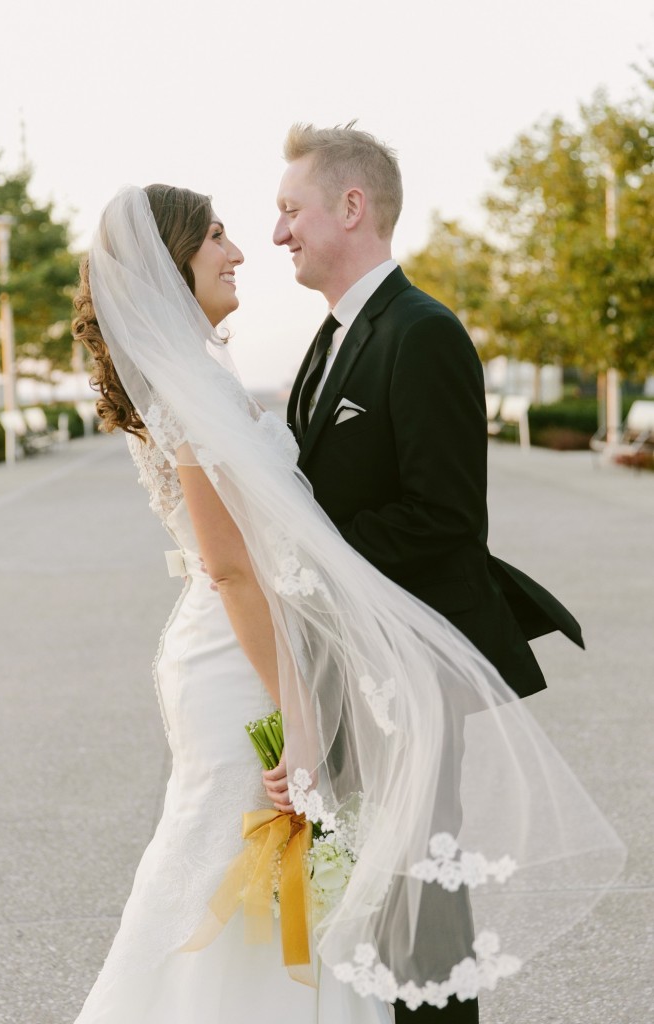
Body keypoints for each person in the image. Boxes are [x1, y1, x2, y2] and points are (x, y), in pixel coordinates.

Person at [71, 182, 622, 1023]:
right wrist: (299, 717)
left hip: (259, 651)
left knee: (276, 879)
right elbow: (233, 571)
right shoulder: (190, 391)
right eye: (217, 235)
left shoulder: (198, 378)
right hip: (245, 658)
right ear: (172, 262)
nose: (244, 247)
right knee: (238, 861)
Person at [269, 122, 587, 1021]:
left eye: (292, 210)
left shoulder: (423, 331)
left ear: (352, 206)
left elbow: (446, 517)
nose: (280, 232)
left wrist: (312, 553)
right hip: (349, 663)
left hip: (408, 669)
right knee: (369, 896)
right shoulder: (332, 339)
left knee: (422, 899)